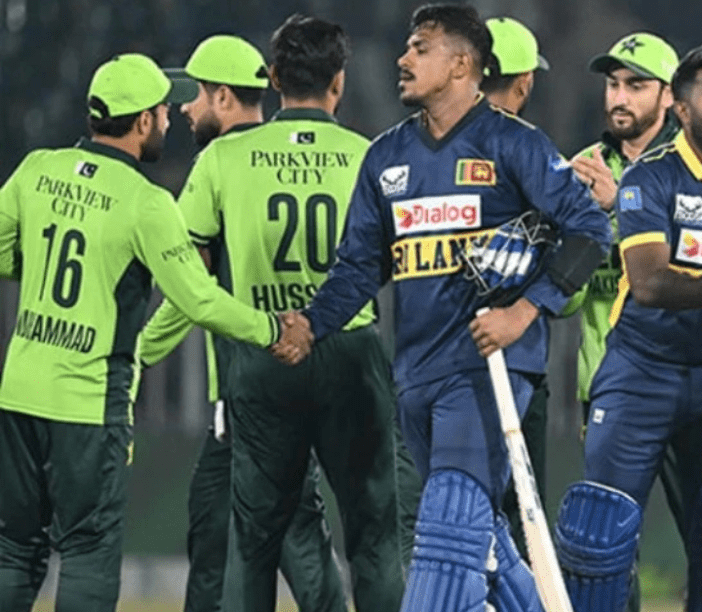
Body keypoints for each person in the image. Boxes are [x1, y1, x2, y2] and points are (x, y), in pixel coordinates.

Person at [291, 5, 610, 611]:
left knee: (445, 530)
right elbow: (360, 266)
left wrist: (526, 311)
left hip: (485, 371)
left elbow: (590, 229)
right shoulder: (385, 158)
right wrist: (312, 322)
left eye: (419, 48)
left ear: (462, 63)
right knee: (477, 532)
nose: (402, 59)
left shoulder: (513, 143)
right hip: (414, 377)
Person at [0, 53, 302, 612]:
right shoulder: (146, 202)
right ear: (141, 122)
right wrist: (268, 328)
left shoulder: (36, 169)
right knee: (88, 552)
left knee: (14, 550)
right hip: (88, 405)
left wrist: (40, 264)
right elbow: (197, 298)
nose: (169, 118)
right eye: (162, 111)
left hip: (17, 393)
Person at [554, 44, 702, 612]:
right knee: (600, 542)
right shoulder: (649, 180)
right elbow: (649, 282)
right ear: (683, 110)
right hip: (642, 371)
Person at [136, 34, 348, 612]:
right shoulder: (303, 159)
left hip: (246, 391)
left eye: (195, 96)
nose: (183, 108)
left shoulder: (222, 164)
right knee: (251, 539)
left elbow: (186, 290)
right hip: (302, 377)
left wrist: (136, 357)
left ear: (224, 98)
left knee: (266, 543)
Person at [559, 31, 683, 612]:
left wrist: (621, 205)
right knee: (607, 552)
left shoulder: (698, 166)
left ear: (668, 96)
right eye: (613, 84)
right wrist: (577, 228)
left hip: (689, 384)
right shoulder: (580, 170)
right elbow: (560, 301)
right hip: (607, 386)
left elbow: (695, 270)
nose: (620, 97)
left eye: (636, 84)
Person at [480, 14, 555, 561]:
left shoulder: (424, 147)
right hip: (520, 358)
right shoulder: (534, 154)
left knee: (446, 517)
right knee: (522, 519)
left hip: (436, 362)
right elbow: (582, 241)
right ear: (524, 83)